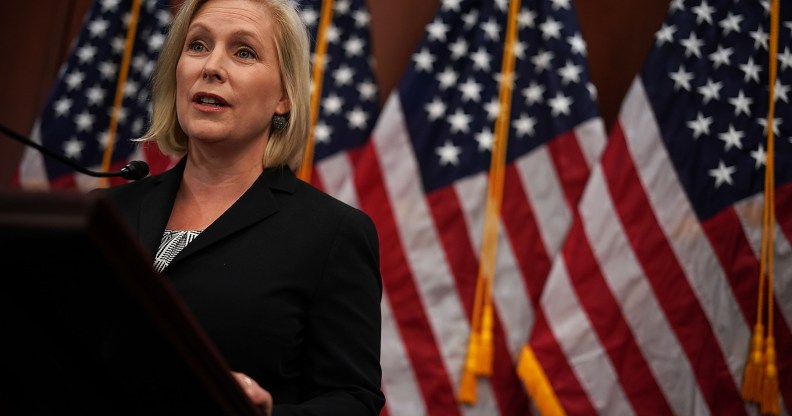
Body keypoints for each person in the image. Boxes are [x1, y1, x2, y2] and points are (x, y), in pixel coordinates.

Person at [97, 0, 385, 414]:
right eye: (197, 46)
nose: (210, 66)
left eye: (243, 52)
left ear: (284, 96)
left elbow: (354, 400)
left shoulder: (331, 233)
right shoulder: (105, 212)